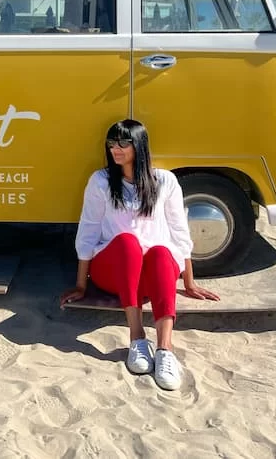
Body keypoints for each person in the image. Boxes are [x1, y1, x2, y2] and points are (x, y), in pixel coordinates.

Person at [60, 119, 220, 391]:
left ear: (139, 145)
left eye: (123, 142)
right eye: (111, 143)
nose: (116, 149)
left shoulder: (165, 181)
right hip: (114, 270)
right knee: (127, 242)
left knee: (160, 251)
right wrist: (80, 284)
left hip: (153, 276)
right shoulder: (101, 181)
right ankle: (137, 337)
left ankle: (165, 349)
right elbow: (88, 229)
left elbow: (179, 231)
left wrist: (189, 282)